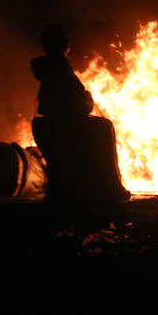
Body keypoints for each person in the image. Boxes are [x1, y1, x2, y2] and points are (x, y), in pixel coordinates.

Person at [30, 25, 130, 205]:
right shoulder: (58, 65)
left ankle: (101, 185)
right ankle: (110, 187)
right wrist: (86, 99)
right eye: (64, 39)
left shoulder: (54, 65)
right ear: (58, 43)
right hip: (62, 124)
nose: (68, 43)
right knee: (103, 128)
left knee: (103, 126)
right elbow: (75, 101)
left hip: (56, 122)